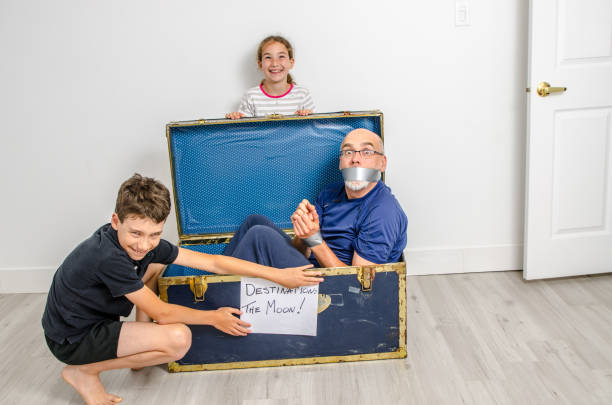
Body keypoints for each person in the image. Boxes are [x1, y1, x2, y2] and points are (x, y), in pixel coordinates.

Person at [41, 174, 322, 405]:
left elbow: (213, 262)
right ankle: (84, 372)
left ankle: (137, 345)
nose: (143, 244)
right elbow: (162, 313)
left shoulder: (144, 245)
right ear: (116, 222)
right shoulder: (107, 256)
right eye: (136, 233)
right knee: (179, 340)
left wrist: (278, 275)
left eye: (154, 234)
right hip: (72, 338)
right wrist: (214, 317)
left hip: (92, 322)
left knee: (152, 264)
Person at [223, 128, 407, 268]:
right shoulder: (330, 193)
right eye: (348, 152)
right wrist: (303, 232)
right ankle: (215, 288)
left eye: (367, 152)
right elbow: (301, 253)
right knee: (254, 222)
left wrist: (314, 238)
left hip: (333, 285)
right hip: (308, 268)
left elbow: (357, 284)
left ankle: (216, 304)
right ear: (341, 163)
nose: (355, 159)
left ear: (382, 163)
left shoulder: (383, 212)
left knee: (259, 236)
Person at [226, 35, 315, 119]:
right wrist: (235, 120)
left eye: (281, 56)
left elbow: (313, 130)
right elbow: (245, 131)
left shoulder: (302, 95)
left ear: (291, 63)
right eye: (268, 57)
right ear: (260, 64)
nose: (275, 63)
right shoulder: (251, 97)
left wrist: (306, 120)